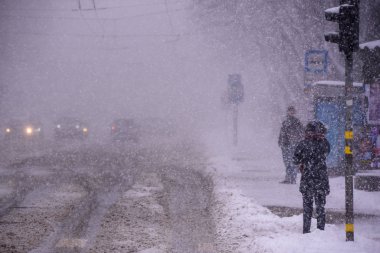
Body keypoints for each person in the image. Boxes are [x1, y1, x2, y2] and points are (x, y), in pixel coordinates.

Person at [293, 121, 330, 234]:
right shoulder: (324, 143)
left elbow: (295, 159)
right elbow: (326, 153)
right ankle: (320, 230)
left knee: (307, 208)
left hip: (308, 179)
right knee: (320, 207)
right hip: (321, 179)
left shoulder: (303, 144)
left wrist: (303, 163)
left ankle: (306, 230)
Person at [278, 106, 304, 184]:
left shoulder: (296, 122)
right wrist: (280, 141)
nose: (291, 113)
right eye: (289, 111)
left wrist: (296, 141)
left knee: (292, 162)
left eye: (292, 111)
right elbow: (282, 132)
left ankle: (292, 178)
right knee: (286, 161)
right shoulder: (285, 122)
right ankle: (288, 177)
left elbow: (300, 133)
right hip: (285, 144)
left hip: (293, 144)